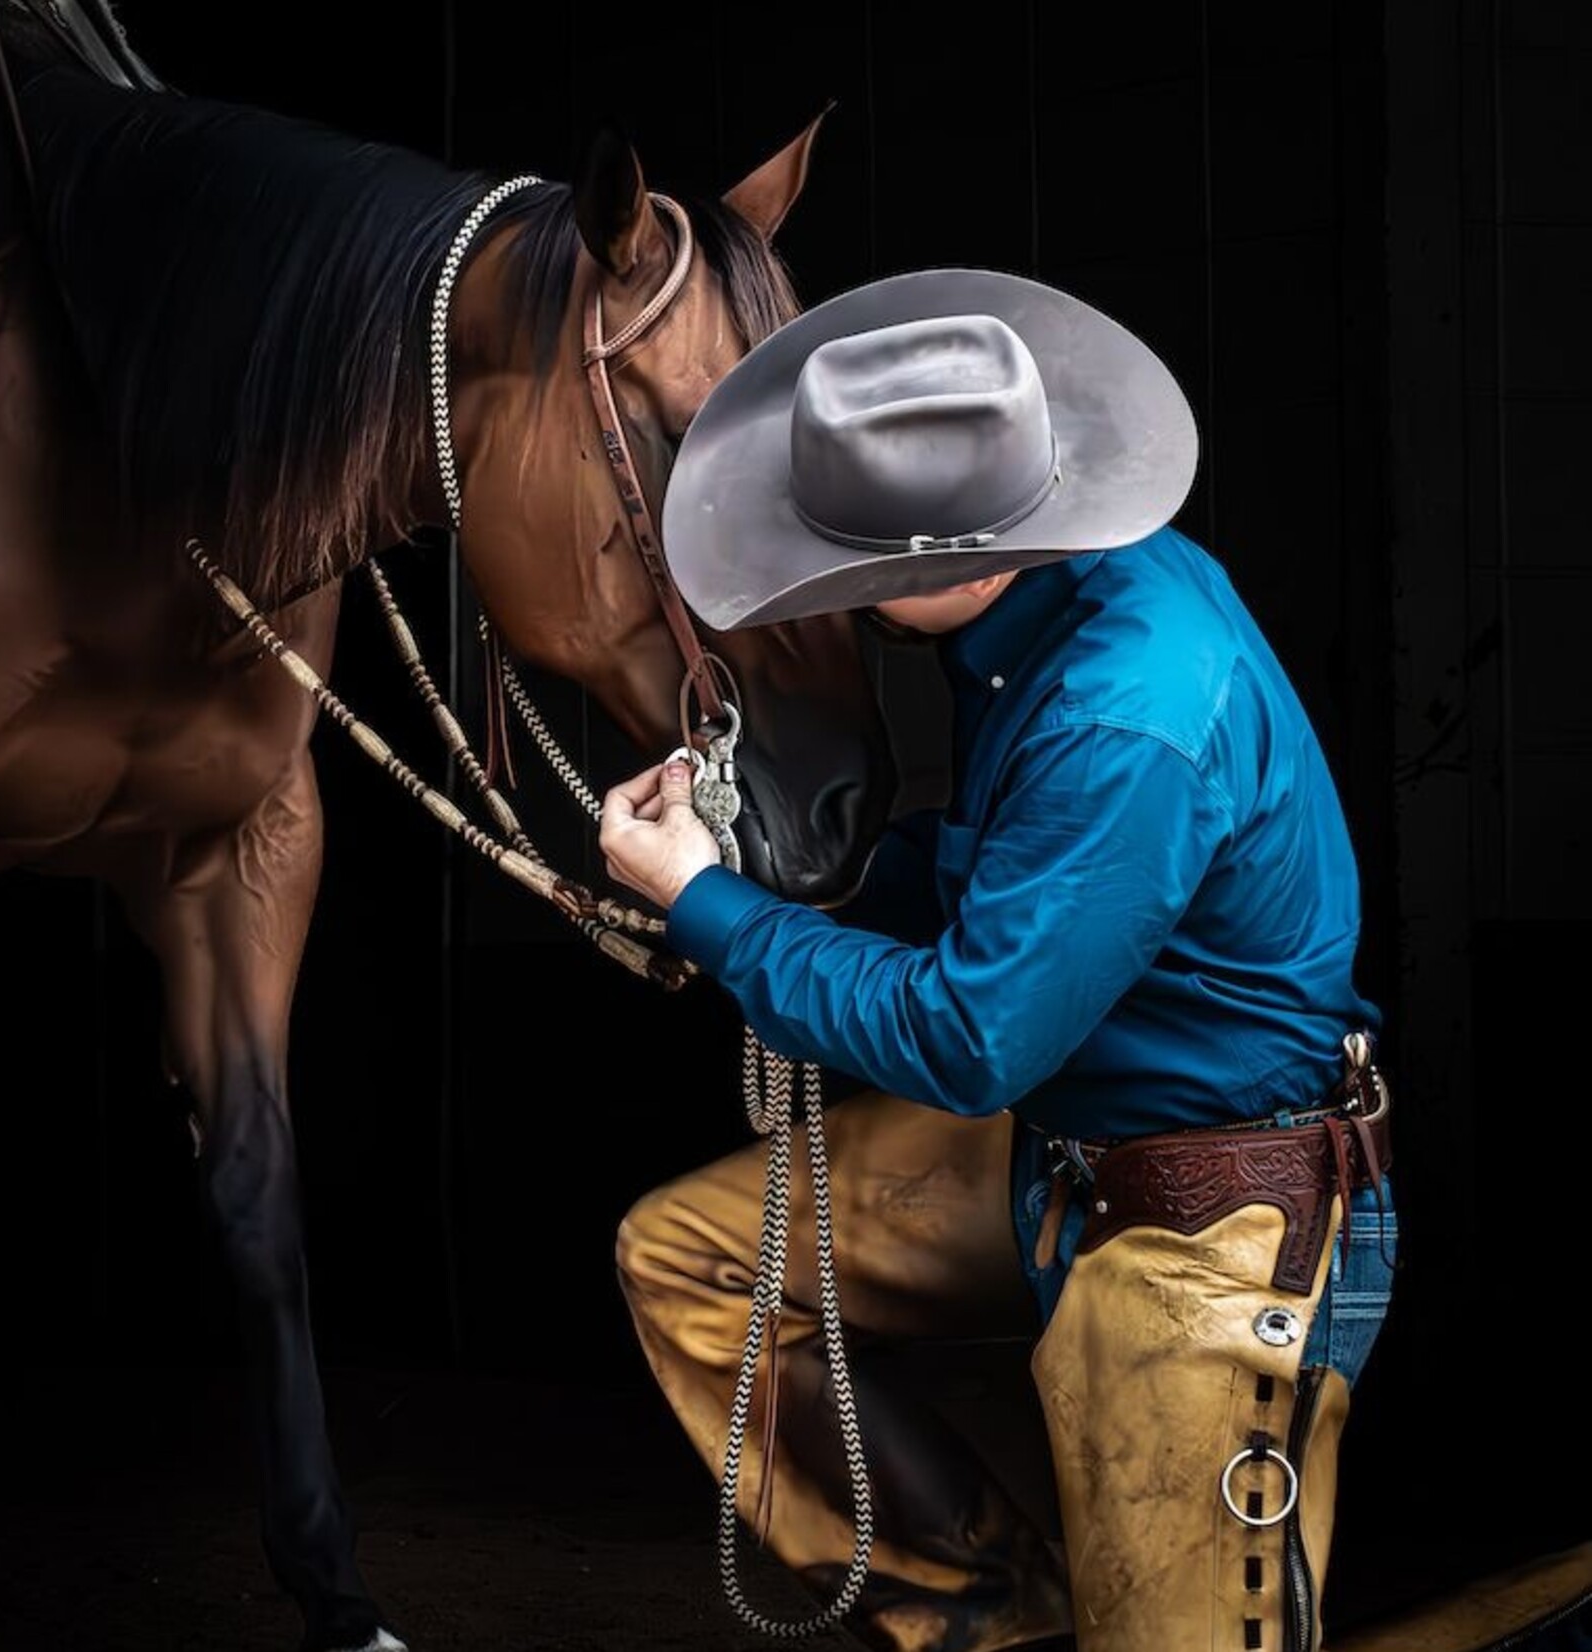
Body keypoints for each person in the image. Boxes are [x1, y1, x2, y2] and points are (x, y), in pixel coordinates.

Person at [599, 267, 1398, 1652]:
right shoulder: (1039, 614)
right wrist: (755, 880)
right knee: (688, 1258)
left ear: (942, 569)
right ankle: (992, 1624)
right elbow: (1005, 873)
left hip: (1207, 1224)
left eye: (845, 570)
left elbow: (972, 1039)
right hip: (1068, 1147)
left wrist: (709, 909)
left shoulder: (1125, 710)